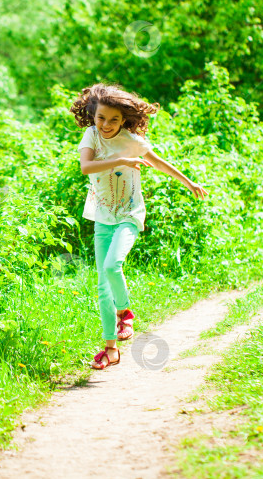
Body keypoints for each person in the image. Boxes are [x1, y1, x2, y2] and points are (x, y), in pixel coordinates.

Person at [71, 83, 209, 370]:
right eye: (101, 118)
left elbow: (159, 164)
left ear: (124, 120)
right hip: (102, 216)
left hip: (129, 214)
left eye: (114, 119)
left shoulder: (132, 141)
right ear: (92, 116)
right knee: (102, 286)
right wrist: (121, 160)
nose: (106, 125)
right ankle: (110, 348)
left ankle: (125, 313)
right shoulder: (92, 135)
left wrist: (189, 182)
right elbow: (86, 166)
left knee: (112, 266)